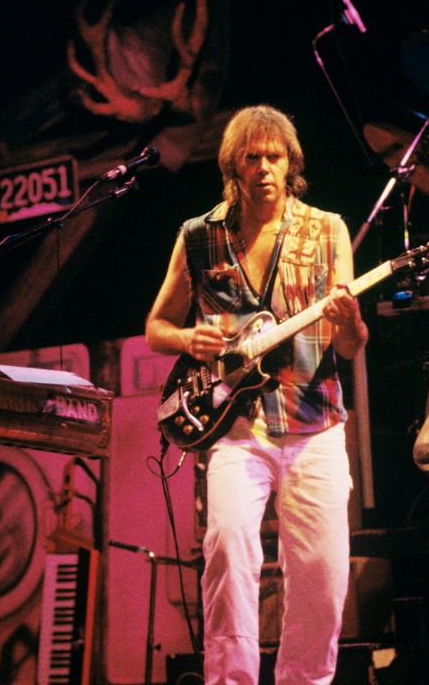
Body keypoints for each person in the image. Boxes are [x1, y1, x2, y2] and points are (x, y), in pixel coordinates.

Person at [145, 105, 368, 684]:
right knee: (225, 550)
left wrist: (349, 319)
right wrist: (187, 339)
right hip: (235, 429)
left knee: (322, 576)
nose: (265, 167)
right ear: (233, 167)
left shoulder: (327, 229)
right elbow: (156, 327)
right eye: (253, 158)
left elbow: (350, 346)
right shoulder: (199, 236)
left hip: (315, 426)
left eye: (275, 157)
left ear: (291, 164)